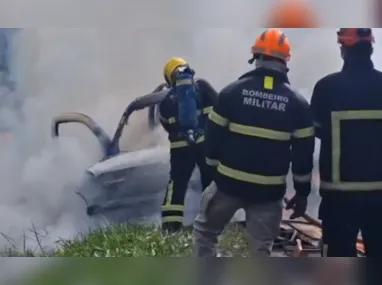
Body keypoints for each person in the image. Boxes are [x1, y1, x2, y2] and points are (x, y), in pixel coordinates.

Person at [193, 28, 315, 257]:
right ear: (285, 61)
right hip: (268, 194)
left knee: (205, 233)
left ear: (256, 57)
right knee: (261, 251)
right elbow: (303, 157)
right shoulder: (298, 105)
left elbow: (212, 142)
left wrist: (212, 174)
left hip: (228, 185)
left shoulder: (231, 93)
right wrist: (302, 194)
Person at [311, 28, 382, 257]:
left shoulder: (326, 88)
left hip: (338, 199)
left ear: (343, 50)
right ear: (371, 47)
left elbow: (316, 134)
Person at [159, 56, 218, 232]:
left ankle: (170, 228)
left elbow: (166, 125)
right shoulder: (203, 87)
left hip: (180, 149)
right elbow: (221, 108)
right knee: (210, 182)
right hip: (205, 144)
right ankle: (212, 223)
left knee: (176, 184)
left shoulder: (165, 100)